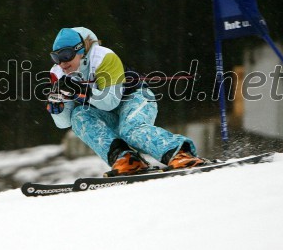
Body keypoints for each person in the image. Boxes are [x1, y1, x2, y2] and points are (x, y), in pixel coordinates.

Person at [47, 27, 206, 176]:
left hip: (135, 98)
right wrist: (58, 109)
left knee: (129, 129)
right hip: (105, 111)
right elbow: (64, 123)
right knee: (78, 116)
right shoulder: (57, 73)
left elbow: (111, 102)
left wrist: (83, 93)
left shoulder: (103, 57)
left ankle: (180, 153)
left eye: (66, 55)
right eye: (56, 57)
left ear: (80, 50)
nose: (62, 63)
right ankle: (127, 160)